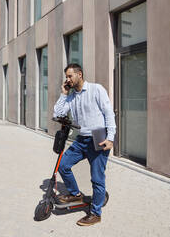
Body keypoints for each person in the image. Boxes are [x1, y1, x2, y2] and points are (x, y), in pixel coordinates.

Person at [53, 63, 116, 226]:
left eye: (70, 76)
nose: (67, 80)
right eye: (66, 77)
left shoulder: (96, 89)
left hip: (98, 138)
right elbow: (58, 114)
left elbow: (109, 113)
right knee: (63, 164)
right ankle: (75, 194)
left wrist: (111, 138)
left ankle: (96, 213)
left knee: (97, 179)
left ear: (79, 74)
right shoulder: (71, 96)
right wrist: (64, 94)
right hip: (81, 139)